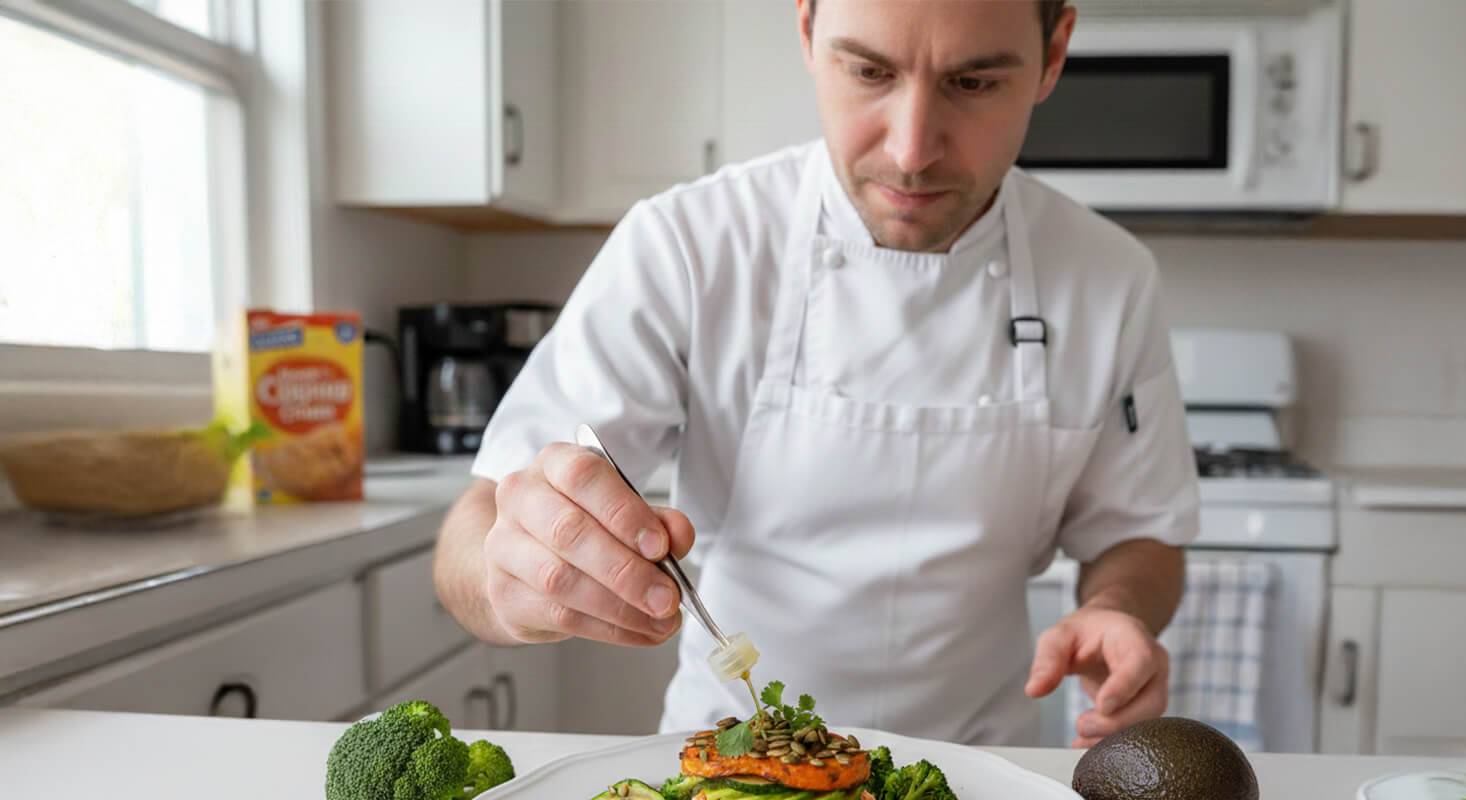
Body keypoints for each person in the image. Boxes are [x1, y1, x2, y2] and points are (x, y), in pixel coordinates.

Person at [434, 0, 1199, 748]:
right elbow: (478, 529)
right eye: (869, 71)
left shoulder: (1110, 276)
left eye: (974, 83)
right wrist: (512, 577)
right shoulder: (689, 244)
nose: (912, 148)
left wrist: (1120, 607)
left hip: (983, 777)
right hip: (725, 766)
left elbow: (1141, 535)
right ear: (806, 28)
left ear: (1054, 52)